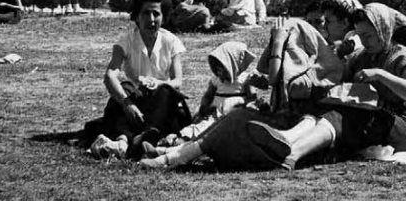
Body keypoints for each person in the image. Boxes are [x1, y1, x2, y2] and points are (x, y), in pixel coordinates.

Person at [139, 16, 347, 171]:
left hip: (291, 131)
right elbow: (276, 79)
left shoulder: (320, 68)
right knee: (230, 118)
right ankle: (173, 153)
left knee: (235, 118)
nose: (325, 25)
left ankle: (172, 158)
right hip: (281, 125)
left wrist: (277, 43)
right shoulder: (316, 63)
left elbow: (284, 81)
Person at [245, 3, 406, 170]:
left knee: (347, 115)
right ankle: (287, 139)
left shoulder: (401, 56)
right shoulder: (363, 57)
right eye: (361, 35)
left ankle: (293, 151)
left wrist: (380, 74)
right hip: (372, 120)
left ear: (384, 30)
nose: (365, 41)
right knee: (323, 105)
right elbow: (341, 86)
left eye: (368, 35)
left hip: (401, 125)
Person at [89, 0, 189, 159]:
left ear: (163, 16)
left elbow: (177, 81)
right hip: (136, 100)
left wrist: (158, 83)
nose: (151, 19)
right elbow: (110, 76)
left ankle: (131, 139)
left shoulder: (171, 41)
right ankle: (129, 140)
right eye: (146, 13)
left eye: (156, 13)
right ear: (136, 17)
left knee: (166, 91)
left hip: (160, 103)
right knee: (124, 88)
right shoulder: (125, 41)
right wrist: (127, 103)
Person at [155, 41, 258, 148]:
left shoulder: (246, 79)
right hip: (215, 113)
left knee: (221, 133)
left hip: (234, 116)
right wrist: (203, 108)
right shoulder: (216, 80)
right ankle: (175, 141)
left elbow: (252, 98)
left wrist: (249, 108)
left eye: (223, 69)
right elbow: (209, 95)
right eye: (217, 70)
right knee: (202, 127)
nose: (219, 73)